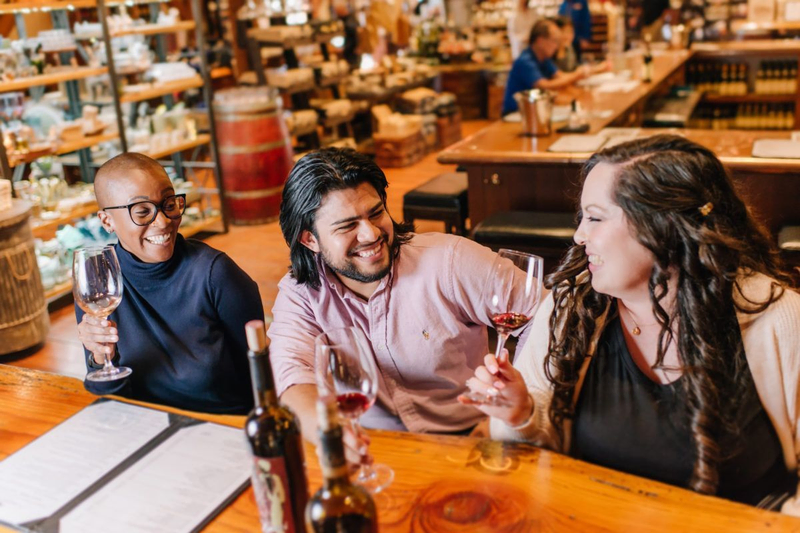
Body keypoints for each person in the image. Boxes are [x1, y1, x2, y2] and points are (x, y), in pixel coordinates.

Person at [461, 134, 800, 511]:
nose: (579, 235)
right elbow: (536, 461)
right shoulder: (572, 306)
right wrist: (519, 414)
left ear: (663, 226)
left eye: (595, 217)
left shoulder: (778, 318)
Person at [268, 148, 534, 454]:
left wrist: (512, 407)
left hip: (473, 437)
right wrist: (326, 428)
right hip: (375, 445)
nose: (370, 234)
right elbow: (290, 372)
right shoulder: (300, 293)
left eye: (376, 213)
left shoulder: (451, 261)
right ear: (309, 239)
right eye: (347, 226)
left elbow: (547, 315)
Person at [75, 152, 263, 414]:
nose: (163, 221)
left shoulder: (215, 274)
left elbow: (260, 379)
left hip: (219, 427)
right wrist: (99, 358)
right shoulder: (99, 281)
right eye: (142, 212)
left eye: (170, 204)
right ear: (107, 221)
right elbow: (111, 402)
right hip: (144, 428)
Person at [501, 19, 589, 115]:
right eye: (554, 41)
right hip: (516, 114)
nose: (556, 46)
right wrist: (577, 75)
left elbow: (560, 76)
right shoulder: (525, 61)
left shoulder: (544, 58)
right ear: (540, 41)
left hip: (534, 111)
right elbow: (544, 85)